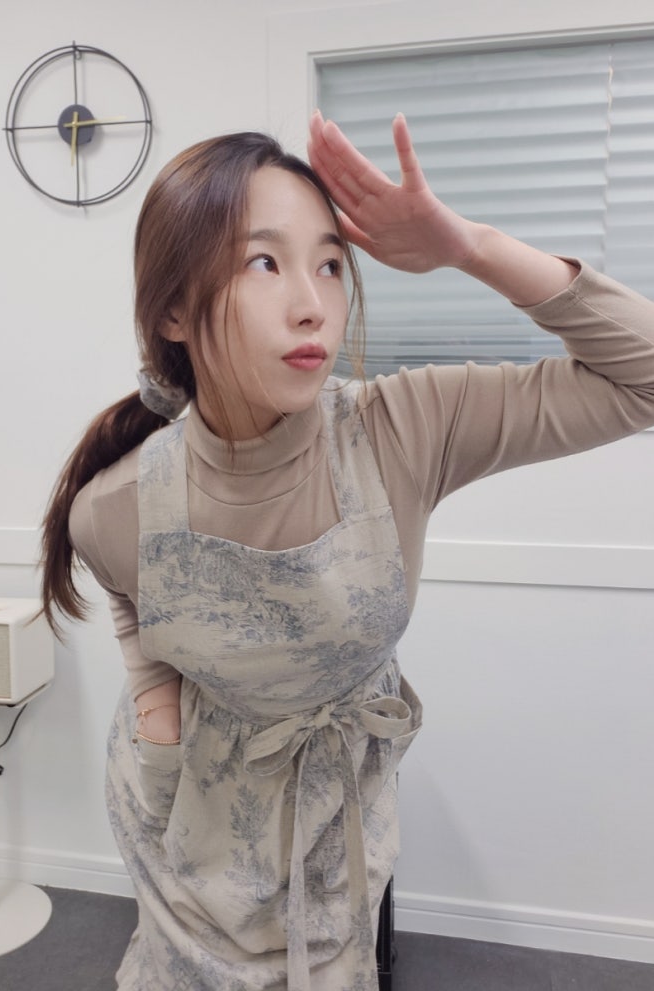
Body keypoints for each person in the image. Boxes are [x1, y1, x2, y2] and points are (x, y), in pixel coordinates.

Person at [40, 111, 654, 991]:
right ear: (172, 310)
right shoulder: (115, 505)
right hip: (185, 822)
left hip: (338, 823)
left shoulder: (402, 429)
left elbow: (641, 379)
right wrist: (154, 713)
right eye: (264, 262)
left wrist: (468, 246)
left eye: (329, 264)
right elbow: (128, 597)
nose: (312, 303)